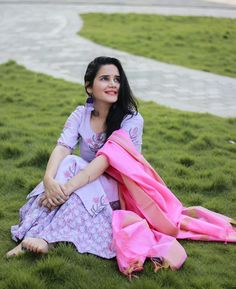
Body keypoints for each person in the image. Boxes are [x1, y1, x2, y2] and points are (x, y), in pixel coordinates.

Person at [6, 56, 144, 258]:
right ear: (89, 87)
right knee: (70, 162)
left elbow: (103, 162)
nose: (113, 84)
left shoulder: (131, 120)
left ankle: (46, 240)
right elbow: (63, 147)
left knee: (79, 185)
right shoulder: (81, 114)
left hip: (118, 185)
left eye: (117, 79)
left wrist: (66, 190)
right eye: (105, 78)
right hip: (86, 177)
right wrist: (49, 181)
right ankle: (32, 233)